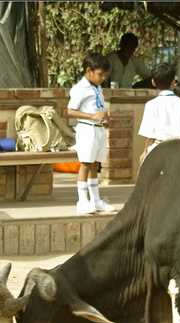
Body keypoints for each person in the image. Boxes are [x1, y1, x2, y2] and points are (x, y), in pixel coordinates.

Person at [67, 52, 115, 214]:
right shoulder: (80, 88)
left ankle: (96, 200)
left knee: (95, 164)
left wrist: (104, 118)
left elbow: (98, 107)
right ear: (89, 71)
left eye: (104, 75)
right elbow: (71, 111)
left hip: (98, 129)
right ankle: (82, 201)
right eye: (100, 74)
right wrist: (91, 117)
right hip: (87, 129)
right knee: (86, 164)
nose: (103, 78)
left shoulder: (97, 88)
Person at [137, 63, 180, 165]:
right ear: (173, 82)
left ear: (153, 82)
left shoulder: (151, 105)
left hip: (158, 150)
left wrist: (145, 152)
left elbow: (149, 136)